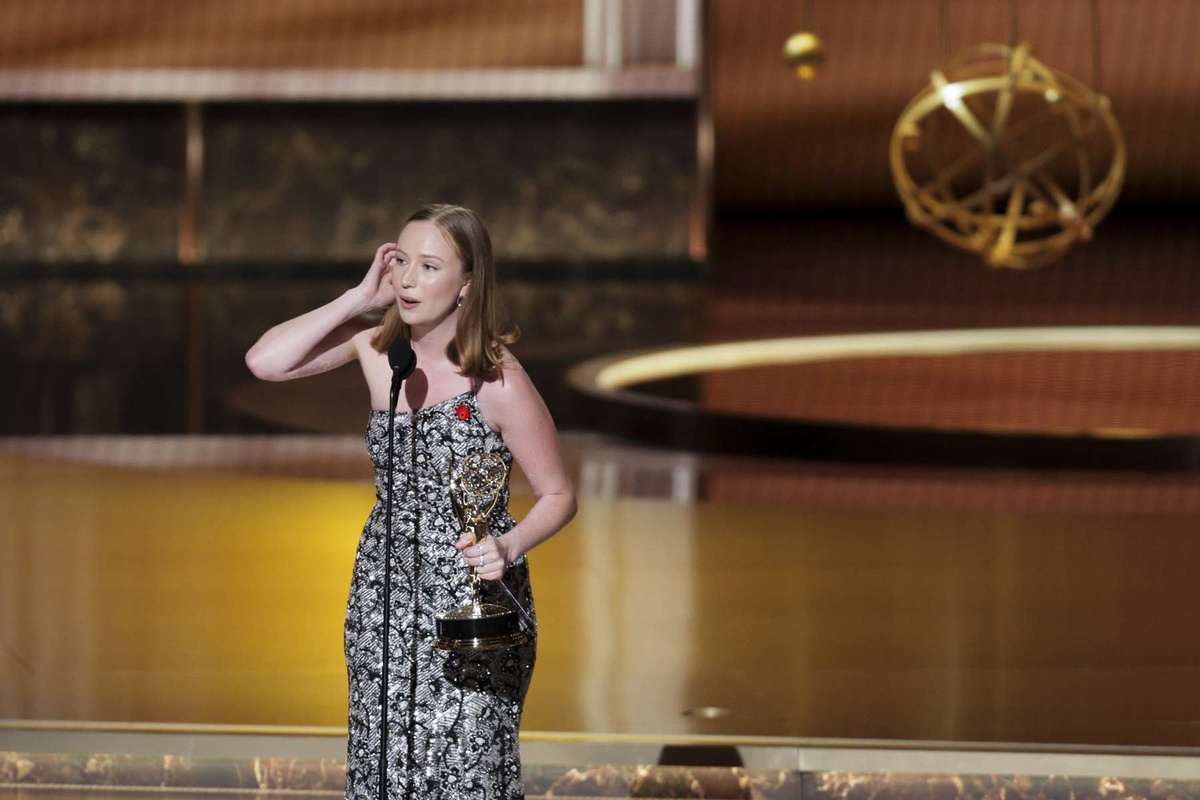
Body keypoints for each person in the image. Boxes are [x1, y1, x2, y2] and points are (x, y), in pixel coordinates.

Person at [245, 204, 577, 800]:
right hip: (384, 591)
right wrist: (356, 298)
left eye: (429, 267)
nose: (407, 280)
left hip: (471, 603)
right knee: (383, 764)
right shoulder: (378, 349)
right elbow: (265, 362)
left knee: (466, 771)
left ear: (467, 283)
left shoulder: (497, 380)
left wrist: (509, 546)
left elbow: (559, 494)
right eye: (400, 261)